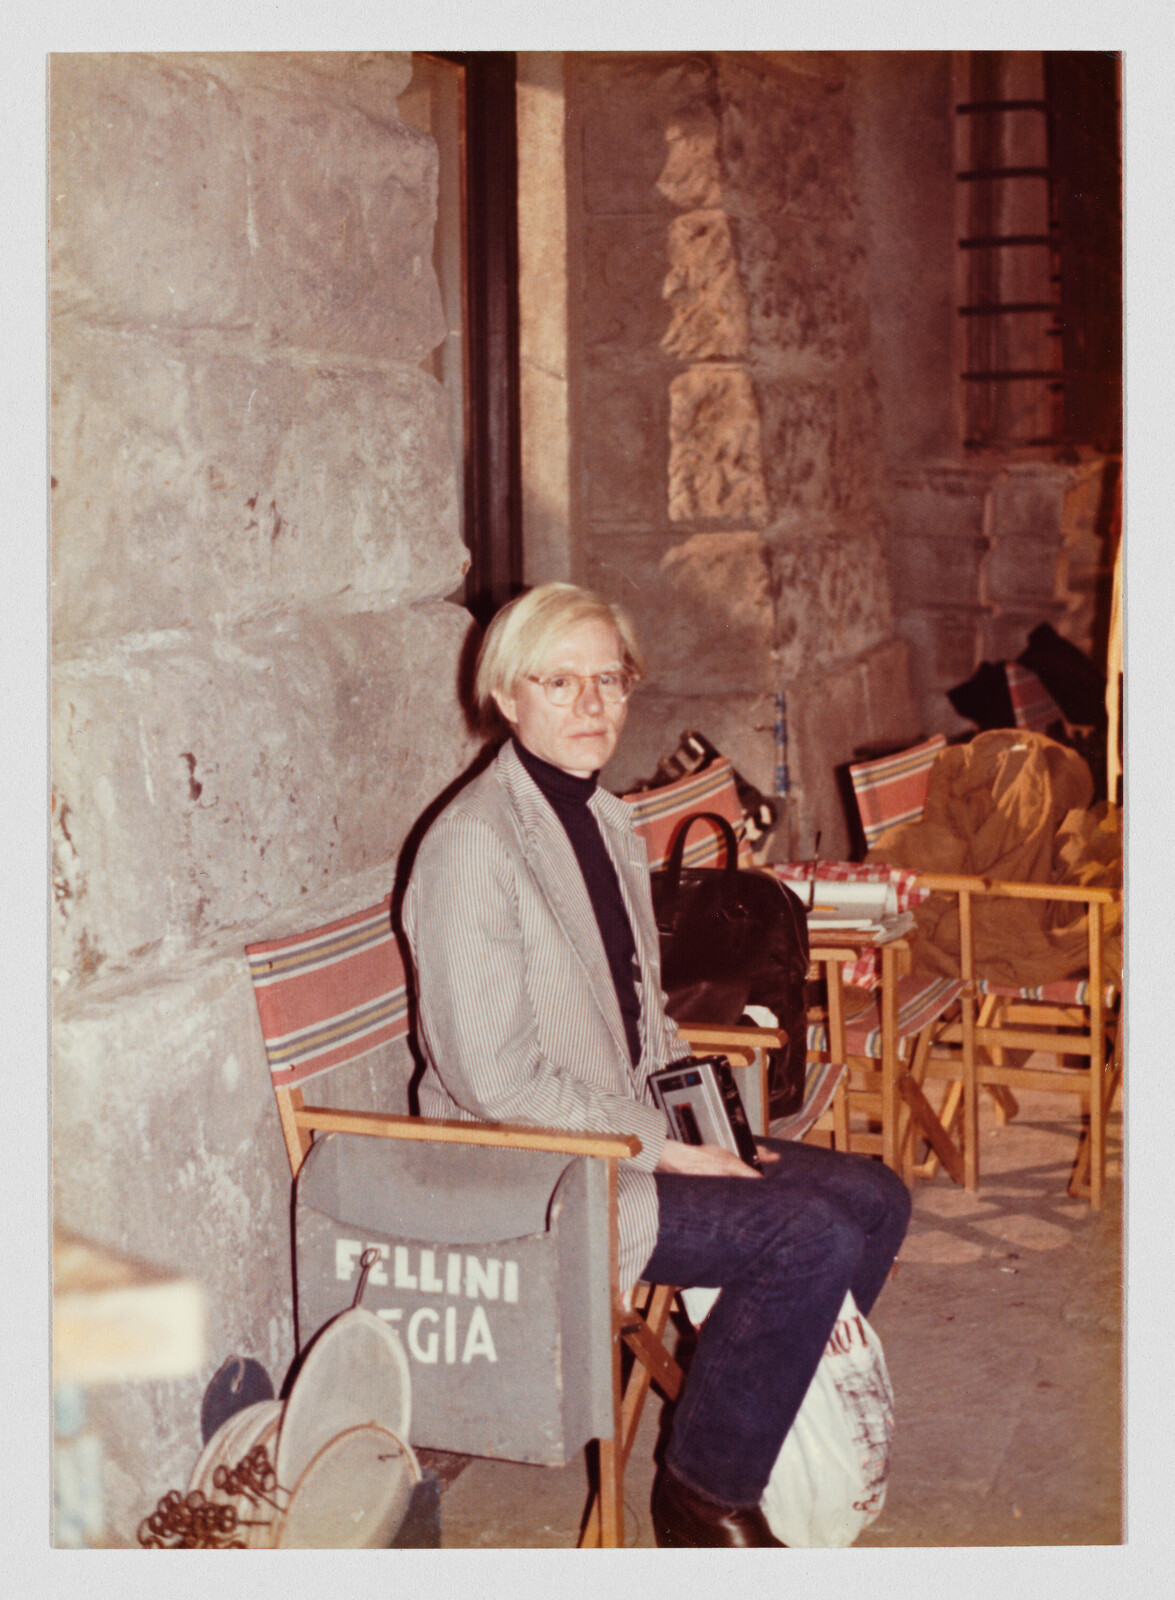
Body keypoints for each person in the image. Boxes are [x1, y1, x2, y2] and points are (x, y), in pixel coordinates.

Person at [402, 582, 910, 1547]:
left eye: (610, 679)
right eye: (562, 682)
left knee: (872, 1196)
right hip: (531, 1168)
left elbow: (648, 1024)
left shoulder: (601, 820)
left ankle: (754, 1411)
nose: (593, 705)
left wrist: (707, 1135)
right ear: (508, 696)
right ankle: (701, 1497)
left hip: (617, 1134)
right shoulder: (474, 845)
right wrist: (666, 1156)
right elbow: (494, 1082)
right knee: (802, 1237)